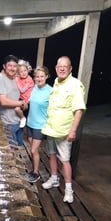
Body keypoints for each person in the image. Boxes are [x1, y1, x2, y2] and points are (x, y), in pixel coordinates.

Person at [41, 56, 86, 203]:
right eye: (59, 66)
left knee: (65, 161)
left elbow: (79, 109)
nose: (62, 68)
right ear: (55, 68)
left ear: (70, 68)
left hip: (64, 131)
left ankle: (68, 189)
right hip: (51, 129)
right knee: (52, 155)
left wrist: (73, 131)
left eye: (65, 66)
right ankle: (54, 179)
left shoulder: (75, 84)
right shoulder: (56, 82)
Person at [0, 55, 28, 147]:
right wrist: (21, 103)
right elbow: (3, 101)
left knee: (19, 148)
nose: (12, 68)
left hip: (18, 122)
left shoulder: (15, 79)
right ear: (4, 66)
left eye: (15, 66)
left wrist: (24, 105)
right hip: (7, 124)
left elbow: (21, 99)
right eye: (10, 66)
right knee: (11, 154)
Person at [26, 66, 52, 183]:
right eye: (37, 76)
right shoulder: (33, 88)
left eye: (42, 76)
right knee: (33, 151)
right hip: (30, 123)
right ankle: (33, 170)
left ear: (46, 76)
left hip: (40, 126)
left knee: (33, 150)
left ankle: (36, 173)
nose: (39, 78)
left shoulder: (51, 91)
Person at [15, 60, 34, 128]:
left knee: (17, 109)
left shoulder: (29, 79)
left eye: (25, 70)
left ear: (28, 70)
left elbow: (22, 90)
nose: (23, 73)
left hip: (27, 100)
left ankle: (23, 118)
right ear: (18, 73)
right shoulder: (20, 78)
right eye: (21, 71)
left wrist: (17, 81)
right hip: (21, 98)